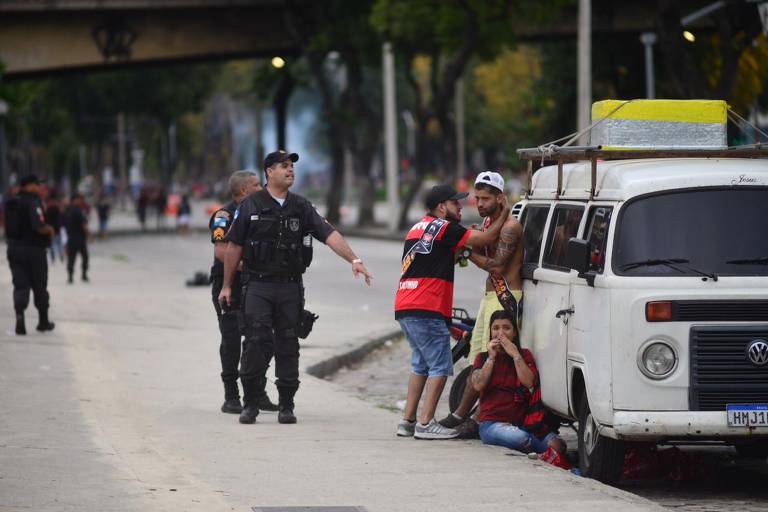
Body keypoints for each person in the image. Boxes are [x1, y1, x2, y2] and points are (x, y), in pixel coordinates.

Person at [219, 150, 373, 425]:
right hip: (258, 286)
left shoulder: (301, 206)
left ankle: (286, 405)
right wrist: (227, 285)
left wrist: (354, 259)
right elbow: (234, 246)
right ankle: (250, 403)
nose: (290, 170)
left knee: (288, 344)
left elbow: (329, 234)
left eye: (291, 166)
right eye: (284, 166)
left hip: (290, 287)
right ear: (269, 172)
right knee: (256, 342)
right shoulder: (251, 205)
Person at [394, 184, 509, 440]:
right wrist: (504, 212)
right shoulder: (445, 227)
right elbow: (487, 239)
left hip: (405, 305)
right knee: (440, 365)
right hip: (427, 306)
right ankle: (426, 424)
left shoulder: (417, 228)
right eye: (455, 202)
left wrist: (463, 248)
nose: (460, 206)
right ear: (441, 207)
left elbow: (441, 259)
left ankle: (408, 421)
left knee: (420, 364)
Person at [440, 171, 525, 429]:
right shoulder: (489, 224)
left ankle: (472, 418)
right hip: (490, 298)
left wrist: (467, 250)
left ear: (500, 198)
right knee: (478, 359)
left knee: (494, 360)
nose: (479, 204)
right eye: (477, 198)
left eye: (485, 199)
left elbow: (497, 267)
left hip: (505, 299)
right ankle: (461, 416)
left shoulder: (510, 227)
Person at [209, 170, 278, 415]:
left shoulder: (260, 212)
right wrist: (249, 267)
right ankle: (231, 396)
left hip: (255, 286)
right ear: (243, 190)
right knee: (231, 341)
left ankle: (257, 392)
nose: (262, 188)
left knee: (261, 340)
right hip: (229, 285)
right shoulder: (224, 216)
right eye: (257, 185)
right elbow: (221, 251)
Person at [472, 309, 565, 454]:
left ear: (514, 332)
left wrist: (515, 354)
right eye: (495, 328)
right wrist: (491, 357)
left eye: (506, 328)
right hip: (492, 424)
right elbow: (478, 385)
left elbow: (529, 382)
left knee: (558, 446)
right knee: (520, 438)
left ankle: (539, 452)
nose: (501, 334)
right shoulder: (482, 357)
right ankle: (540, 453)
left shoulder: (524, 355)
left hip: (523, 423)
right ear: (490, 332)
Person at [4, 174, 56, 335]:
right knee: (40, 286)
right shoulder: (33, 202)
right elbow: (38, 226)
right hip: (34, 251)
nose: (39, 187)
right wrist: (50, 230)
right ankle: (43, 321)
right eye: (37, 184)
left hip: (14, 250)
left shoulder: (11, 203)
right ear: (28, 186)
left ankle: (20, 318)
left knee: (20, 285)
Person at [62, 193, 90, 284]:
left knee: (71, 258)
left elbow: (63, 225)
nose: (81, 201)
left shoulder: (66, 210)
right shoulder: (78, 210)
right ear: (75, 200)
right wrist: (88, 234)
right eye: (79, 199)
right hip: (80, 237)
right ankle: (84, 274)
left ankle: (70, 277)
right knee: (85, 257)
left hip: (70, 238)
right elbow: (84, 224)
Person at [45, 193, 64, 263]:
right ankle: (57, 256)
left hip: (54, 229)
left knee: (55, 244)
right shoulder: (55, 209)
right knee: (56, 244)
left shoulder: (49, 209)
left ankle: (58, 256)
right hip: (53, 229)